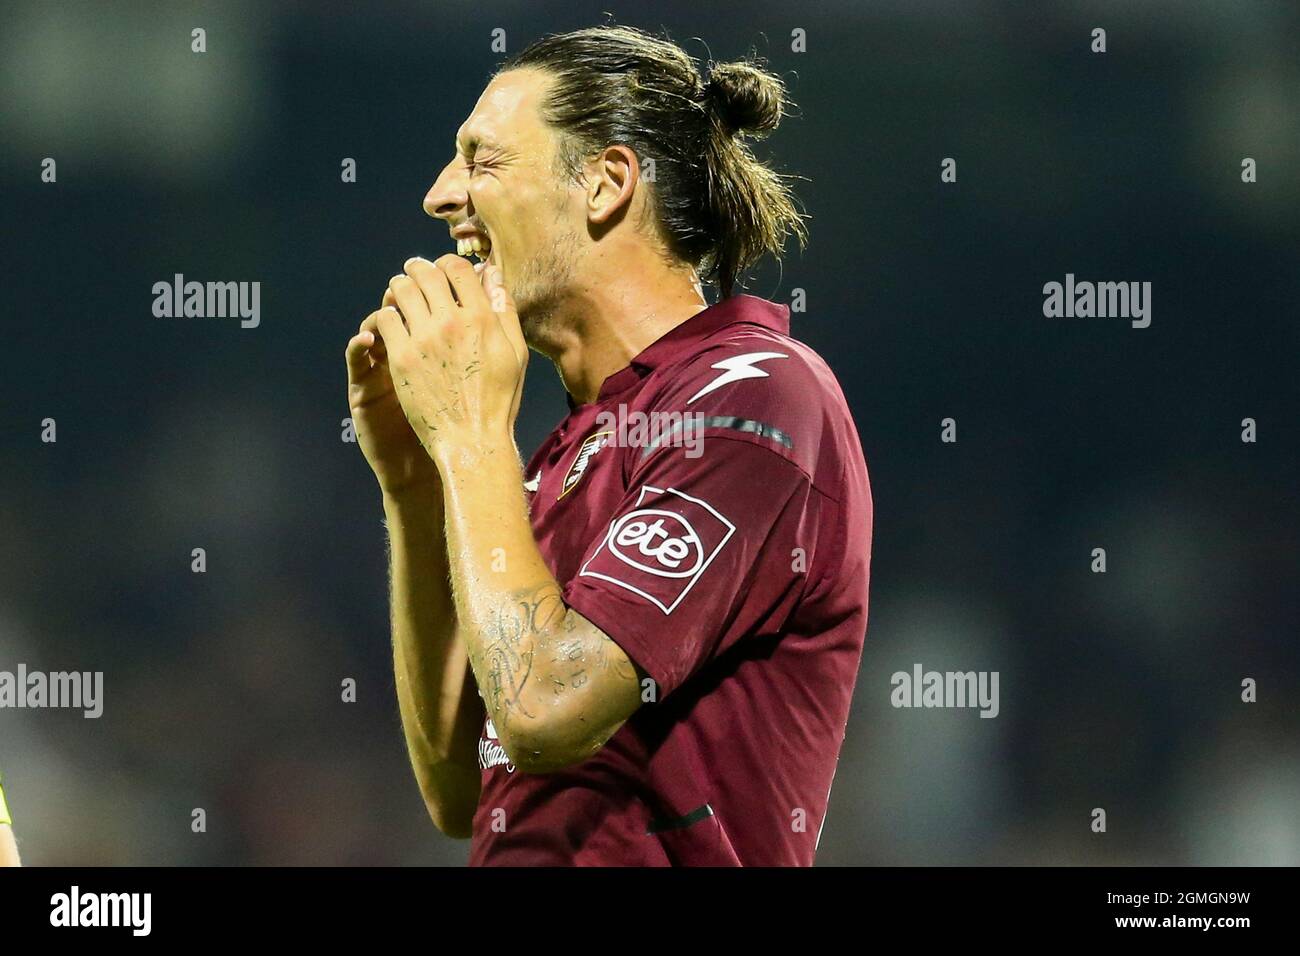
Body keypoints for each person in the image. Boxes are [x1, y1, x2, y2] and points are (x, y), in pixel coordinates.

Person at [345, 24, 872, 865]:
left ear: (606, 183)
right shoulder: (568, 452)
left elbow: (544, 707)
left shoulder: (755, 395)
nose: (441, 195)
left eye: (482, 161)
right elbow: (459, 787)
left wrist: (474, 435)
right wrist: (415, 479)